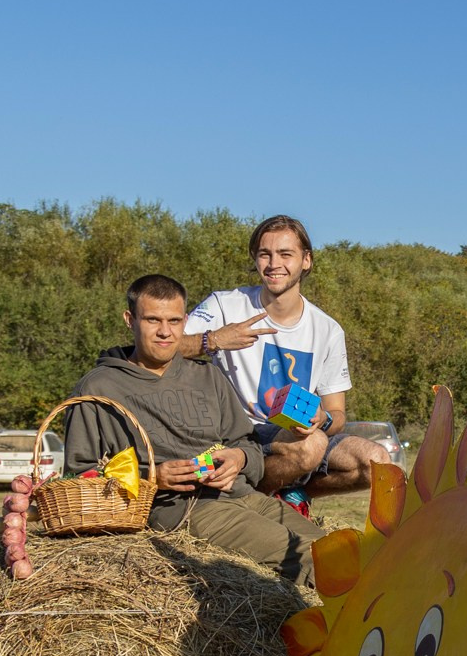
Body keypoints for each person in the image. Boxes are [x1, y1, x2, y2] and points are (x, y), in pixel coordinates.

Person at [63, 274, 326, 587]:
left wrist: (239, 459)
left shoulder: (208, 377)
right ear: (130, 320)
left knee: (337, 548)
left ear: (185, 321)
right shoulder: (99, 387)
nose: (165, 331)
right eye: (152, 320)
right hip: (183, 509)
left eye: (174, 321)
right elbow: (79, 477)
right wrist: (152, 478)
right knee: (310, 558)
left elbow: (250, 445)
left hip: (242, 495)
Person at [176, 216, 388, 507]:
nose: (274, 263)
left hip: (293, 437)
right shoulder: (225, 305)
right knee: (311, 447)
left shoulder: (328, 330)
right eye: (265, 254)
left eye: (285, 254)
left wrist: (322, 419)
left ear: (306, 260)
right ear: (255, 259)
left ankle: (292, 495)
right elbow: (160, 348)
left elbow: (337, 413)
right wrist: (212, 340)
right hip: (234, 434)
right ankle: (251, 504)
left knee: (377, 462)